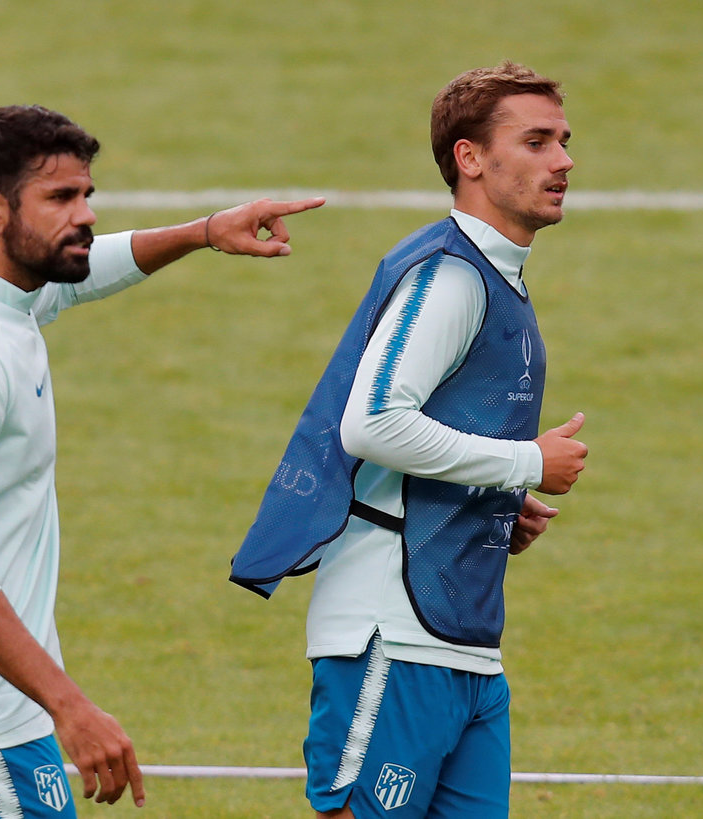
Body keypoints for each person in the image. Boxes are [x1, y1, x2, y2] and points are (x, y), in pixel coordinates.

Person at [0, 104, 324, 818]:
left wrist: (203, 232)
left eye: (87, 194)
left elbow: (79, 276)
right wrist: (70, 706)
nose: (86, 214)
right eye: (61, 197)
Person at [230, 62, 588, 818]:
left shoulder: (495, 275)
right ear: (470, 158)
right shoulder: (452, 277)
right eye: (536, 142)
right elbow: (374, 422)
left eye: (563, 140)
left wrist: (495, 498)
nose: (562, 160)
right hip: (393, 636)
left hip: (464, 644)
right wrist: (526, 461)